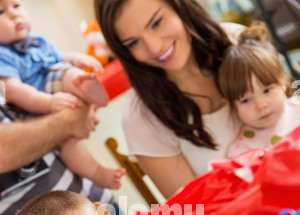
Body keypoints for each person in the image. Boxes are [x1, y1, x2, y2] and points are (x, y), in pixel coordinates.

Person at [94, 0, 245, 199]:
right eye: (133, 42)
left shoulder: (236, 40)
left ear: (179, 6)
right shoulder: (140, 117)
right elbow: (196, 211)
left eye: (156, 23)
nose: (155, 47)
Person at [0, 0, 125, 190]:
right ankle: (97, 172)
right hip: (35, 102)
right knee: (68, 143)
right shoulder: (2, 55)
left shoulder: (37, 40)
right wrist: (50, 103)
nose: (14, 14)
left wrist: (77, 58)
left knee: (69, 74)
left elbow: (60, 56)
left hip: (54, 81)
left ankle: (86, 89)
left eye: (16, 6)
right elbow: (14, 91)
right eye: (1, 12)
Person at [218, 22, 299, 158]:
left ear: (282, 80)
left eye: (267, 90)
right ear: (231, 106)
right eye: (246, 100)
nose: (261, 105)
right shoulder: (244, 150)